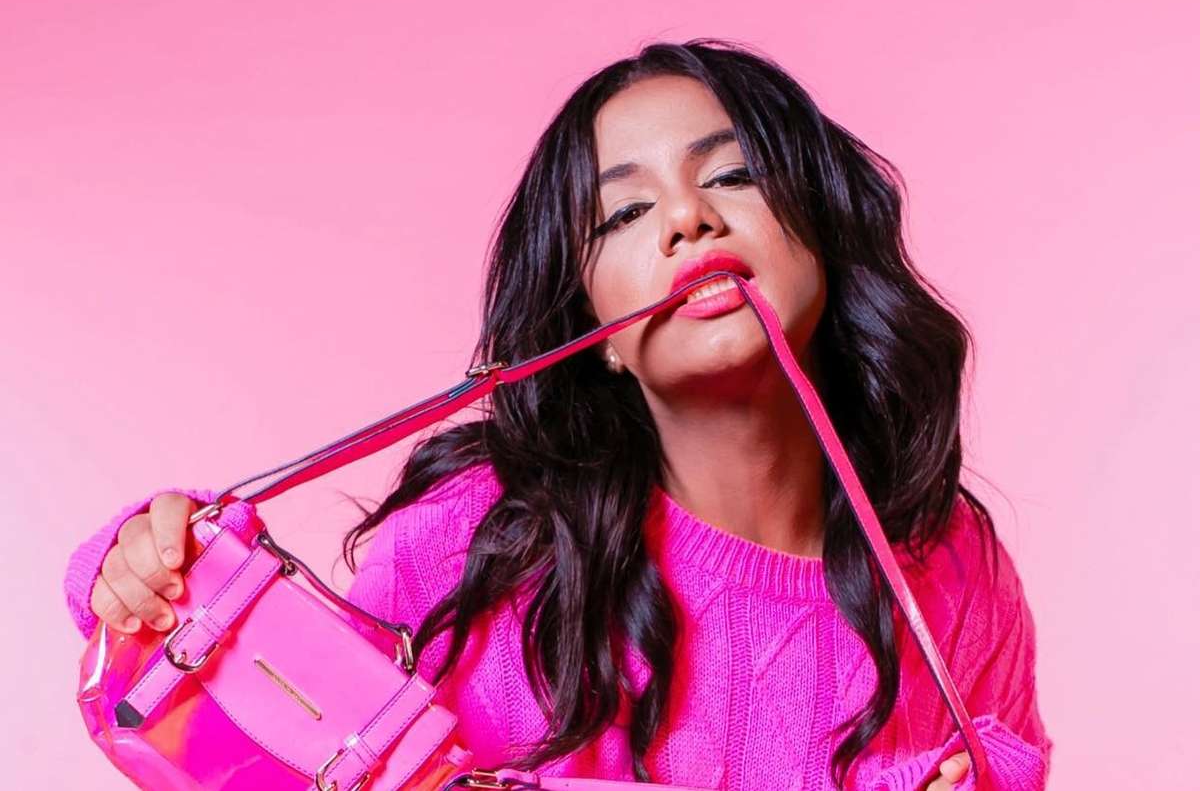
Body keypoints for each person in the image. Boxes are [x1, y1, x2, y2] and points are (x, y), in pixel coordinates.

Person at [64, 39, 1053, 789]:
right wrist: (151, 570)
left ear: (826, 234)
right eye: (624, 214)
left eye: (732, 174)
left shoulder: (955, 568)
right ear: (597, 331)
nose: (688, 219)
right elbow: (270, 720)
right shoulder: (486, 538)